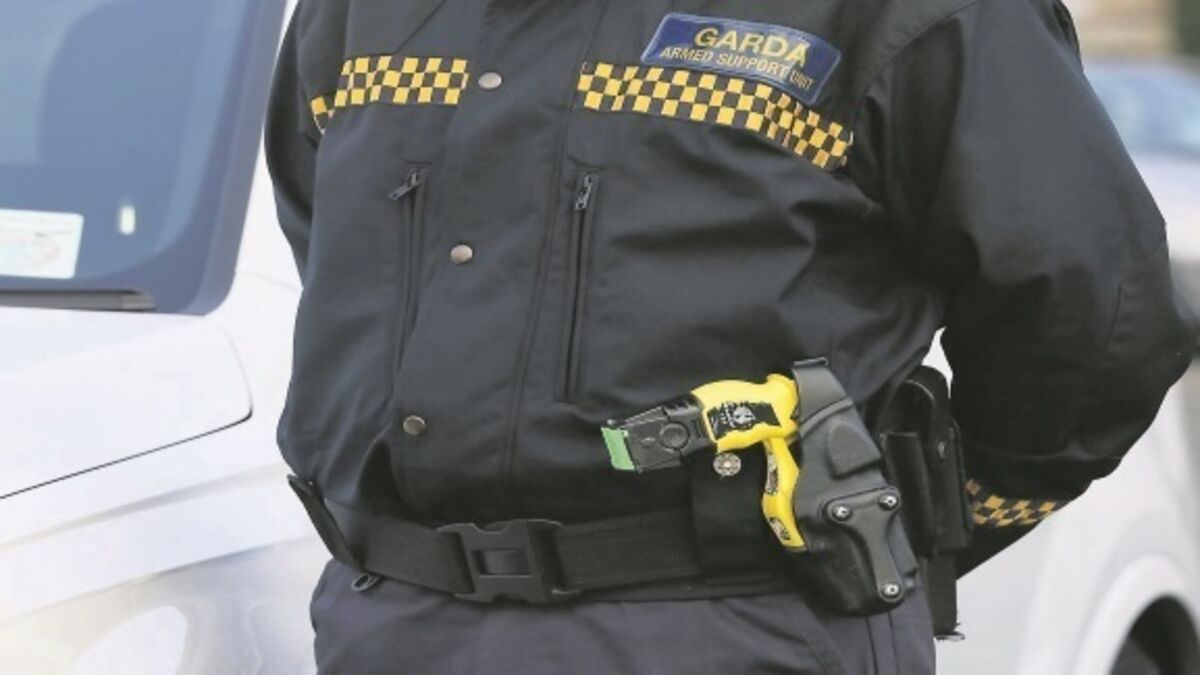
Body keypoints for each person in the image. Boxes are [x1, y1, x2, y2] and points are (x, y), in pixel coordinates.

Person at [265, 0, 1198, 672]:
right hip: (395, 627)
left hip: (744, 630)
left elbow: (1095, 314)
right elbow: (339, 252)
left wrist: (909, 522)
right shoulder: (354, 13)